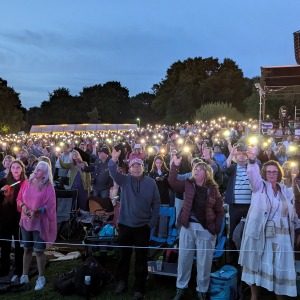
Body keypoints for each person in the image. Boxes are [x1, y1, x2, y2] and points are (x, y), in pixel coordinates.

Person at [239, 154, 300, 299]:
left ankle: (280, 296)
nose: (272, 174)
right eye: (269, 172)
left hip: (283, 238)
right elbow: (252, 176)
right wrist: (252, 161)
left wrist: (298, 230)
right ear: (264, 173)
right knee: (257, 264)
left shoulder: (285, 190)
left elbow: (294, 210)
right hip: (263, 235)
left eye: (274, 171)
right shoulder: (259, 187)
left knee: (281, 269)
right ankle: (255, 297)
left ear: (279, 173)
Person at [169, 157, 224, 300]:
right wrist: (174, 166)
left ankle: (202, 290)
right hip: (188, 227)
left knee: (204, 262)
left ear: (207, 173)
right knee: (184, 259)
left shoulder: (213, 189)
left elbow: (220, 210)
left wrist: (216, 228)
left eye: (200, 169)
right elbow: (172, 182)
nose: (197, 171)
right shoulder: (188, 184)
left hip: (206, 230)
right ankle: (181, 288)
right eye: (195, 169)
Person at [109, 149, 160, 300]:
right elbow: (113, 172)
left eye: (138, 165)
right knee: (123, 257)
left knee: (141, 259)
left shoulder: (151, 183)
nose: (136, 168)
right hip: (125, 225)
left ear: (143, 167)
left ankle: (139, 288)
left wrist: (151, 223)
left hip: (143, 227)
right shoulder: (124, 180)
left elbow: (157, 203)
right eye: (133, 166)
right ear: (130, 169)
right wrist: (113, 159)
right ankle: (122, 282)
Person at [16, 161, 57, 291]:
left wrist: (38, 210)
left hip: (39, 222)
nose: (36, 171)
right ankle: (24, 275)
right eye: (36, 168)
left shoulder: (48, 187)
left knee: (39, 251)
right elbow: (19, 199)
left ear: (45, 173)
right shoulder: (26, 183)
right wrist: (23, 207)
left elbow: (51, 205)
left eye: (39, 170)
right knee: (27, 248)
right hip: (26, 220)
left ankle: (41, 277)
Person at [0, 160, 26, 281]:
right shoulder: (4, 181)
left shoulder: (25, 183)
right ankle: (4, 268)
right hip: (5, 218)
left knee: (18, 245)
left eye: (18, 167)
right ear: (10, 169)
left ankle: (19, 269)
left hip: (19, 218)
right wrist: (1, 192)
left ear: (22, 169)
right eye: (13, 167)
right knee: (5, 245)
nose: (15, 169)